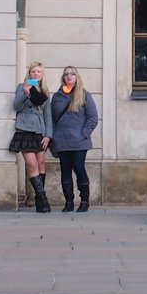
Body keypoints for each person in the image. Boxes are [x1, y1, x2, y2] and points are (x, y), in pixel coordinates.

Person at [50, 66, 98, 212]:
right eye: (66, 74)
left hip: (79, 141)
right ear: (63, 78)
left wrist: (84, 134)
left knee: (78, 168)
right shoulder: (57, 97)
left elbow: (93, 118)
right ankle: (69, 202)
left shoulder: (84, 95)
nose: (69, 76)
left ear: (77, 77)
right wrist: (53, 137)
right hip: (62, 140)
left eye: (72, 74)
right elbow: (52, 118)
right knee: (65, 171)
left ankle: (84, 201)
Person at [10, 61, 53, 213]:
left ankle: (38, 200)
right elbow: (16, 106)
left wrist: (48, 135)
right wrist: (25, 94)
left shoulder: (45, 92)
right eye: (33, 71)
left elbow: (48, 116)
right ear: (29, 73)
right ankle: (43, 198)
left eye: (38, 72)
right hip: (24, 130)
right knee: (32, 165)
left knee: (41, 164)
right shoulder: (22, 87)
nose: (36, 74)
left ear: (42, 75)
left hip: (39, 131)